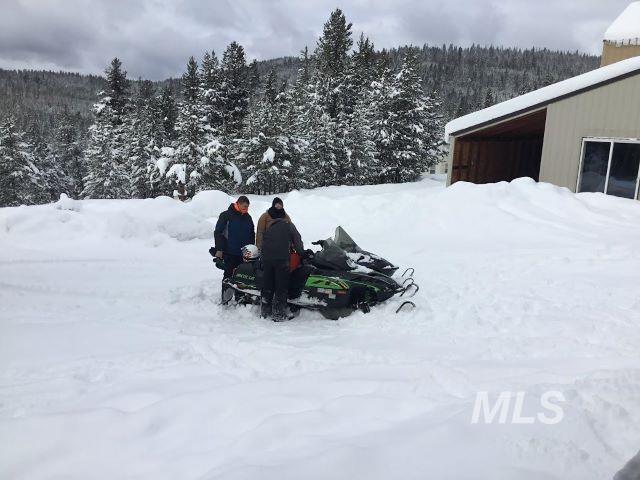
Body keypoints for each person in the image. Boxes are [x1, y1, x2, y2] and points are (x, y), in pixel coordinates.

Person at [260, 209, 304, 322]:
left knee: (268, 285)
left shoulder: (270, 227)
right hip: (281, 260)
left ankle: (265, 312)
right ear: (284, 217)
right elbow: (298, 241)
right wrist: (302, 253)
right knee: (281, 287)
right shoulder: (289, 225)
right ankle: (278, 314)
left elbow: (262, 242)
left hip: (267, 259)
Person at [213, 196, 255, 295]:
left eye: (247, 207)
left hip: (244, 253)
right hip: (229, 251)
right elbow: (218, 233)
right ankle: (226, 297)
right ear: (238, 204)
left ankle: (240, 297)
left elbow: (252, 234)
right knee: (228, 275)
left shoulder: (248, 218)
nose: (246, 208)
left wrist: (251, 249)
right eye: (244, 206)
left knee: (242, 275)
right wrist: (219, 249)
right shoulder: (226, 215)